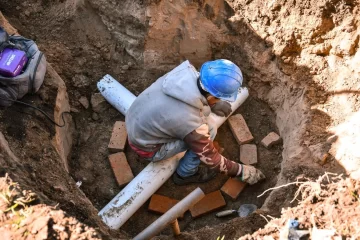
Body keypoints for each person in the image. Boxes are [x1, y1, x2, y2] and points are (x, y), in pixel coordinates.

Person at [125, 59, 265, 185]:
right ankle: (185, 174)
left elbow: (195, 93)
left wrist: (212, 103)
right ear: (213, 94)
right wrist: (242, 172)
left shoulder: (183, 72)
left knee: (203, 118)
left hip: (134, 120)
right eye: (221, 98)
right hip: (148, 148)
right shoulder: (189, 121)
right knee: (209, 129)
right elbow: (211, 159)